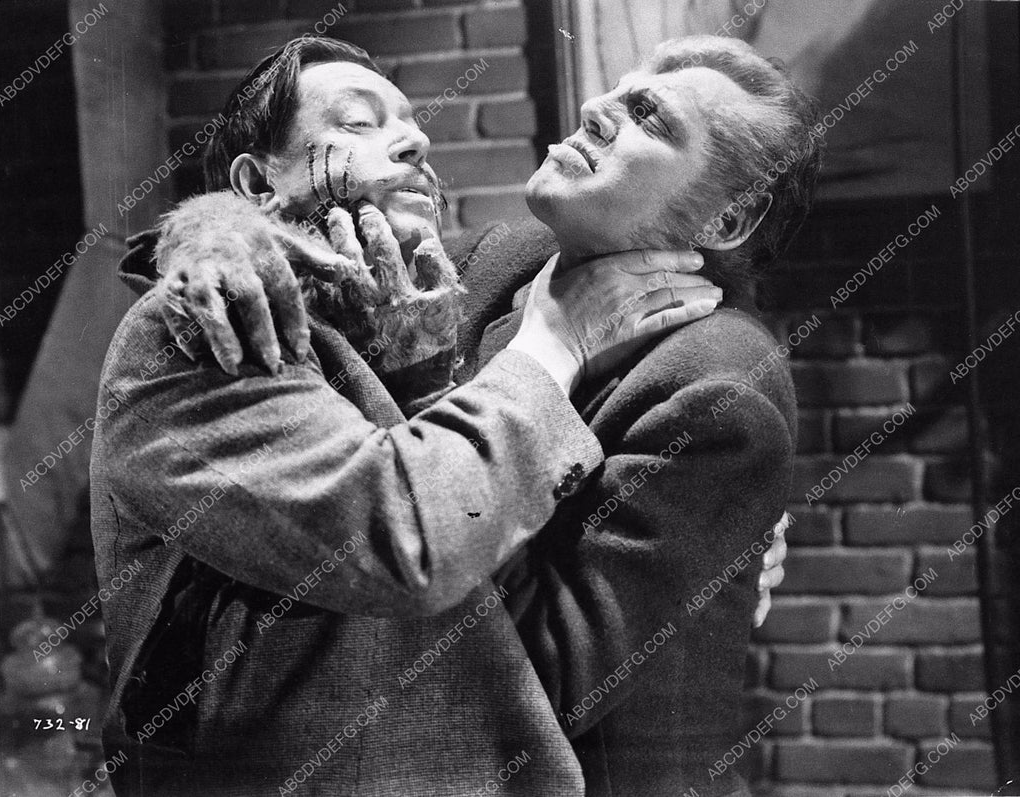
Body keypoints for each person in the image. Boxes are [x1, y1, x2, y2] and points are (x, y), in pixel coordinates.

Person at [158, 34, 820, 796]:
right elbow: (303, 269)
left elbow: (538, 679)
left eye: (647, 115)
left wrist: (505, 371)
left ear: (729, 218)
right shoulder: (498, 264)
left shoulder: (721, 383)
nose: (596, 108)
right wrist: (211, 231)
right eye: (615, 89)